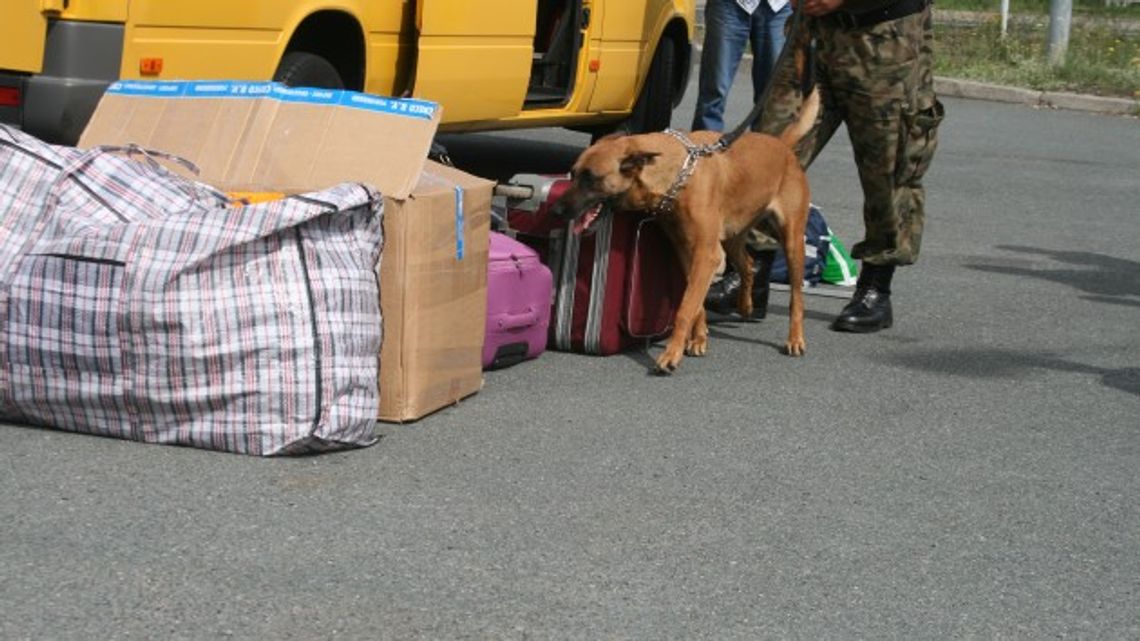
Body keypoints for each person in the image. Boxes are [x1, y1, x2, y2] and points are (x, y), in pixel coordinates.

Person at [707, 0, 945, 333]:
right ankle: (750, 277)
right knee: (769, 151)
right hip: (813, 34)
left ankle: (876, 287)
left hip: (885, 39)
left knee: (888, 168)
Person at [692, 0, 793, 133]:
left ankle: (765, 151)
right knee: (714, 90)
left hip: (778, 7)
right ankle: (704, 149)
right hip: (728, 5)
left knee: (772, 96)